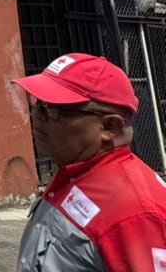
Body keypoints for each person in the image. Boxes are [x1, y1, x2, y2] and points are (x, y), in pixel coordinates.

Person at [15, 52, 166, 271]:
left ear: (109, 127)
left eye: (52, 109)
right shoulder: (77, 175)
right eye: (38, 104)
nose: (36, 115)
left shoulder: (133, 213)